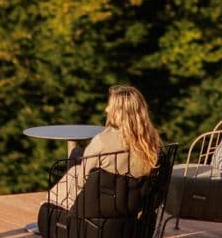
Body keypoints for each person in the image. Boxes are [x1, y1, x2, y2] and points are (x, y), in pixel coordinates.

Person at [42, 83, 162, 216]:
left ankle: (53, 207)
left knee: (74, 173)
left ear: (119, 111)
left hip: (95, 212)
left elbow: (81, 181)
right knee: (76, 158)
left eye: (110, 105)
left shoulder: (102, 141)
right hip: (131, 211)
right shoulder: (152, 139)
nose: (106, 109)